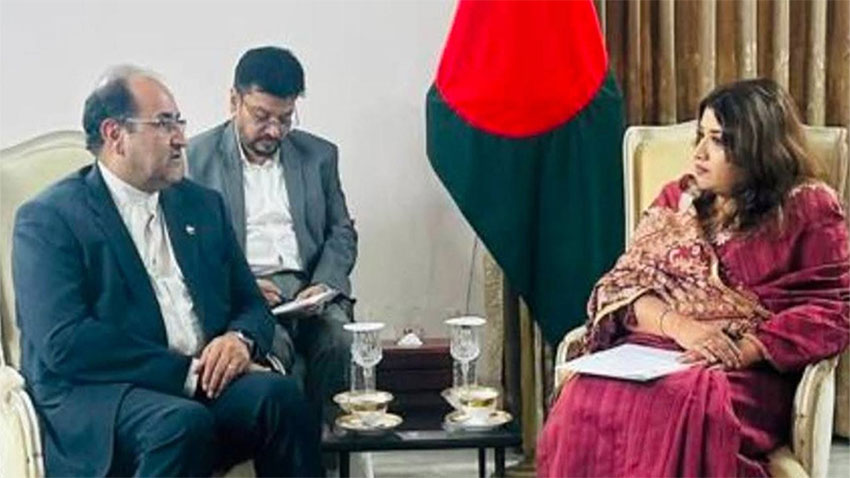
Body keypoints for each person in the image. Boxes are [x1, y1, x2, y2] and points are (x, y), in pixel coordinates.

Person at [12, 66, 322, 477]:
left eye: (179, 122)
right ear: (114, 134)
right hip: (102, 395)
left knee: (281, 398)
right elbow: (64, 343)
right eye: (163, 124)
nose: (181, 138)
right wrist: (186, 373)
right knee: (180, 425)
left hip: (199, 385)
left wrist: (239, 340)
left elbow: (250, 302)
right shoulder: (50, 219)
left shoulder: (202, 206)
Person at [537, 78, 850, 477]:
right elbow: (624, 286)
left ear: (756, 147)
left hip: (741, 369)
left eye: (718, 141)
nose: (699, 153)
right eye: (700, 136)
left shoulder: (807, 207)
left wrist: (745, 348)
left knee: (673, 405)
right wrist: (683, 328)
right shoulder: (677, 200)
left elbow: (833, 309)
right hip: (655, 351)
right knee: (583, 394)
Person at [187, 46, 356, 423]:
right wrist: (240, 284)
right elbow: (189, 248)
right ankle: (290, 448)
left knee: (341, 340)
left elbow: (341, 231)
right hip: (248, 295)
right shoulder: (196, 160)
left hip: (310, 290)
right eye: (262, 117)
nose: (274, 130)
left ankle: (332, 448)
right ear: (234, 101)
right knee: (275, 357)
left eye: (285, 118)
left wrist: (324, 283)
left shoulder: (319, 156)